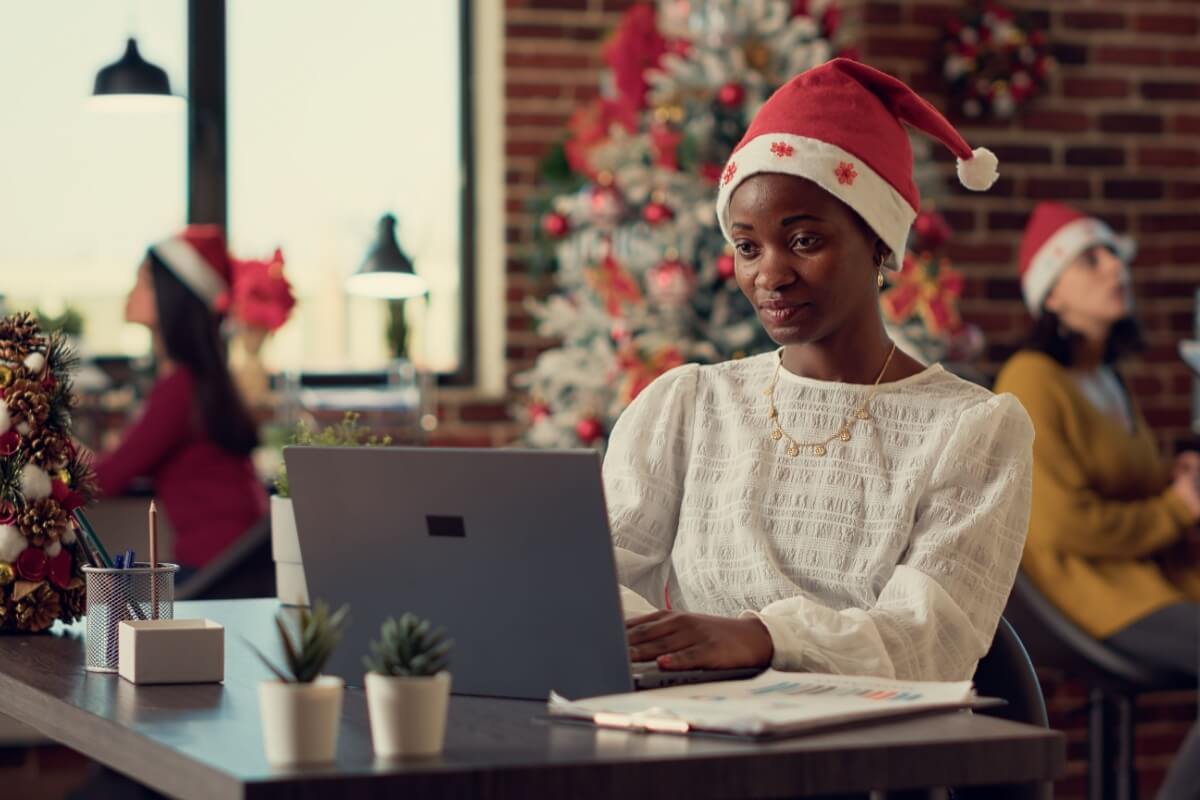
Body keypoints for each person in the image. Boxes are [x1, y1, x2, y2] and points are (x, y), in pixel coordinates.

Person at [605, 58, 1034, 682]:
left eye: (804, 240)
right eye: (747, 247)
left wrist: (763, 638)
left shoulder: (972, 430)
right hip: (690, 736)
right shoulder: (689, 406)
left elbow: (933, 641)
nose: (769, 275)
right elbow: (588, 581)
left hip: (865, 763)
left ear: (880, 242)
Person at [995, 202, 1200, 800]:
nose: (1116, 267)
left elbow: (1123, 481)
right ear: (1051, 295)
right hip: (1086, 594)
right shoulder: (1030, 378)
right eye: (1092, 258)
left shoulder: (1105, 376)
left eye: (1114, 255)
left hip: (1142, 581)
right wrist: (1177, 509)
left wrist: (1174, 480)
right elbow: (1063, 526)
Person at [93, 226, 267, 576]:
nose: (130, 293)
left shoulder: (179, 386)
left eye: (142, 281)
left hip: (217, 570)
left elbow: (103, 479)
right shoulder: (196, 380)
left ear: (170, 296)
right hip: (239, 560)